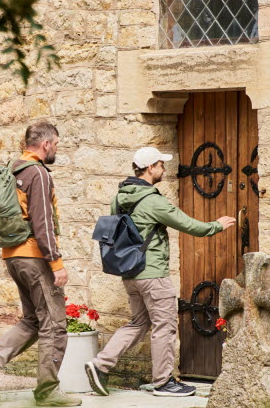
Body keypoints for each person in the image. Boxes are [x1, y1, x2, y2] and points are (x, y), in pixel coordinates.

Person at [84, 147, 235, 397]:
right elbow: (187, 224)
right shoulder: (151, 200)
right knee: (164, 326)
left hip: (130, 273)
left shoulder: (119, 197)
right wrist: (216, 225)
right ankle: (163, 382)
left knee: (139, 323)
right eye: (161, 165)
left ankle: (100, 365)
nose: (164, 169)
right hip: (152, 273)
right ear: (150, 168)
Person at [0, 121, 81, 407]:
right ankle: (48, 391)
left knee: (33, 320)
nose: (56, 149)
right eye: (56, 144)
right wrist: (56, 264)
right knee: (55, 325)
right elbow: (43, 221)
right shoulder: (38, 173)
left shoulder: (13, 169)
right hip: (35, 257)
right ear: (46, 144)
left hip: (12, 256)